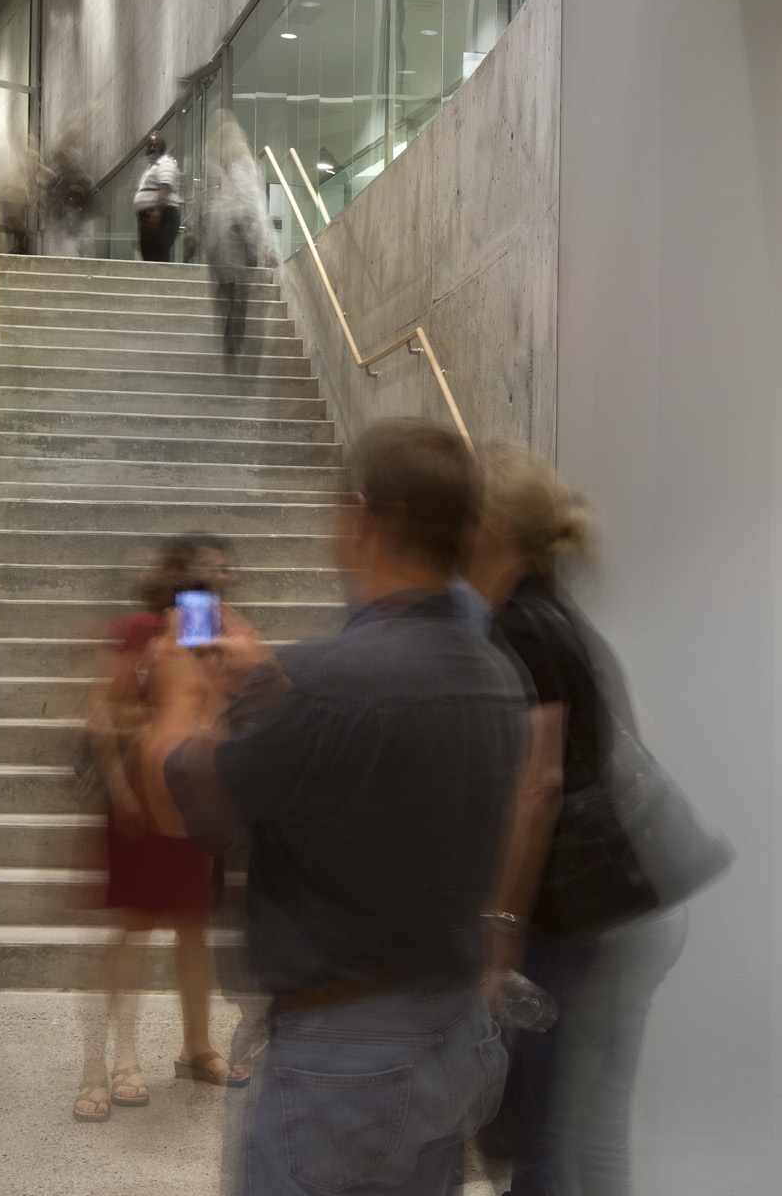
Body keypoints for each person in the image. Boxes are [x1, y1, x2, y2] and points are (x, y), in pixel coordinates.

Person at [151, 419, 528, 1196]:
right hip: (453, 1030)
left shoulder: (322, 684)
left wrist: (184, 695)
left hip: (343, 1063)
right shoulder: (495, 675)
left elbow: (179, 803)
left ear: (365, 521)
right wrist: (264, 688)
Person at [468, 444, 687, 1196]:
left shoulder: (521, 627)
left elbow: (539, 784)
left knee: (547, 1141)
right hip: (618, 911)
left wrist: (499, 931)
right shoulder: (555, 614)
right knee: (585, 1134)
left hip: (570, 922)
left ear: (488, 525)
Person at [74, 538, 244, 1121]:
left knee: (193, 925)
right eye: (209, 567)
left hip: (189, 797)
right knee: (134, 928)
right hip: (139, 800)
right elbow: (103, 711)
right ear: (178, 573)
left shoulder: (210, 630)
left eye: (223, 569)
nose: (221, 574)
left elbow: (215, 706)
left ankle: (196, 1046)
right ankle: (107, 1062)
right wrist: (125, 785)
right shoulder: (137, 629)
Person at [201, 116, 271, 365]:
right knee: (236, 295)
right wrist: (262, 244)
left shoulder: (232, 169)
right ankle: (233, 345)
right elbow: (251, 207)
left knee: (230, 294)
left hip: (221, 246)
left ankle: (231, 345)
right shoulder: (241, 166)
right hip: (233, 243)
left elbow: (245, 207)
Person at [132, 133, 181, 261]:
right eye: (149, 145)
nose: (152, 148)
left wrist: (156, 213)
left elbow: (165, 186)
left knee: (158, 257)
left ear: (163, 147)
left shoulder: (165, 162)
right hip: (150, 217)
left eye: (156, 145)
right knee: (149, 257)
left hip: (162, 216)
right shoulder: (150, 168)